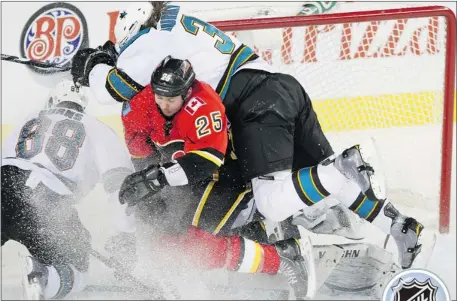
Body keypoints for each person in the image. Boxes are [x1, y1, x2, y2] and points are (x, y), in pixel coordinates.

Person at [70, 1, 425, 292]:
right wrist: (110, 56)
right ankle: (398, 224)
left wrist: (95, 65)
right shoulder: (172, 22)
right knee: (324, 186)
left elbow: (115, 89)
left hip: (254, 104)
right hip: (283, 88)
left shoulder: (146, 44)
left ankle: (344, 166)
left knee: (272, 200)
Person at [117, 56, 314, 300]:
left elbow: (206, 161)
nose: (164, 105)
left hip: (229, 173)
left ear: (187, 92)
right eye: (160, 97)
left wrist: (157, 179)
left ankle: (283, 257)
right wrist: (149, 191)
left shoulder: (204, 103)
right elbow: (143, 156)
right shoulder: (139, 105)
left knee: (196, 247)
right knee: (163, 238)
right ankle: (248, 237)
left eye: (171, 99)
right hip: (189, 180)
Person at [1, 80, 135, 300]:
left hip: (3, 183)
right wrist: (127, 234)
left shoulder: (29, 118)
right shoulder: (98, 128)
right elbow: (120, 186)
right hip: (45, 201)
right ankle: (42, 277)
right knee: (77, 268)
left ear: (52, 101)